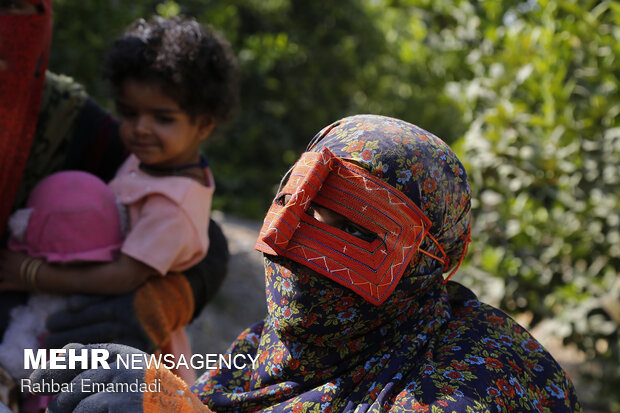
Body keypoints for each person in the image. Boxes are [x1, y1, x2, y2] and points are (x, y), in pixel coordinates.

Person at [30, 115, 582, 412]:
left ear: (432, 262)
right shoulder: (267, 351)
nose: (302, 253)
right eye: (305, 210)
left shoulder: (489, 379)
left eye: (358, 232)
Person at [0, 2, 234, 410]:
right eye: (129, 114)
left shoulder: (169, 194)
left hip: (108, 342)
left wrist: (34, 273)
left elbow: (136, 270)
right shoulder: (146, 159)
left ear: (204, 123)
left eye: (161, 118)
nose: (141, 127)